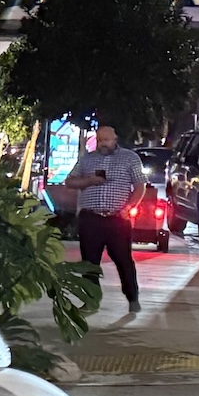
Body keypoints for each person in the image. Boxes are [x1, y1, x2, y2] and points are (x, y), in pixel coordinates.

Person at [60, 125, 149, 314]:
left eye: (106, 140)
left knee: (123, 260)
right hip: (91, 218)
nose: (103, 144)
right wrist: (89, 181)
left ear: (115, 139)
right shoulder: (88, 160)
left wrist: (129, 207)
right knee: (89, 262)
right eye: (100, 140)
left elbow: (140, 186)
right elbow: (70, 181)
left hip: (117, 219)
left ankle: (132, 298)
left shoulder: (129, 158)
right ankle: (91, 301)